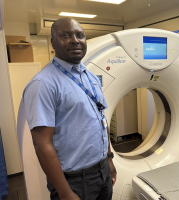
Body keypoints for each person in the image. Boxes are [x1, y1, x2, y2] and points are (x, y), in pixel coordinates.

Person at [23, 17, 116, 200]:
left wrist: (109, 159)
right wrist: (65, 193)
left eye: (79, 35)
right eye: (65, 35)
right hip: (75, 180)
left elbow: (101, 121)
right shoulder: (43, 84)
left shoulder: (90, 77)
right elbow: (42, 144)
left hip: (102, 170)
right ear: (53, 42)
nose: (75, 40)